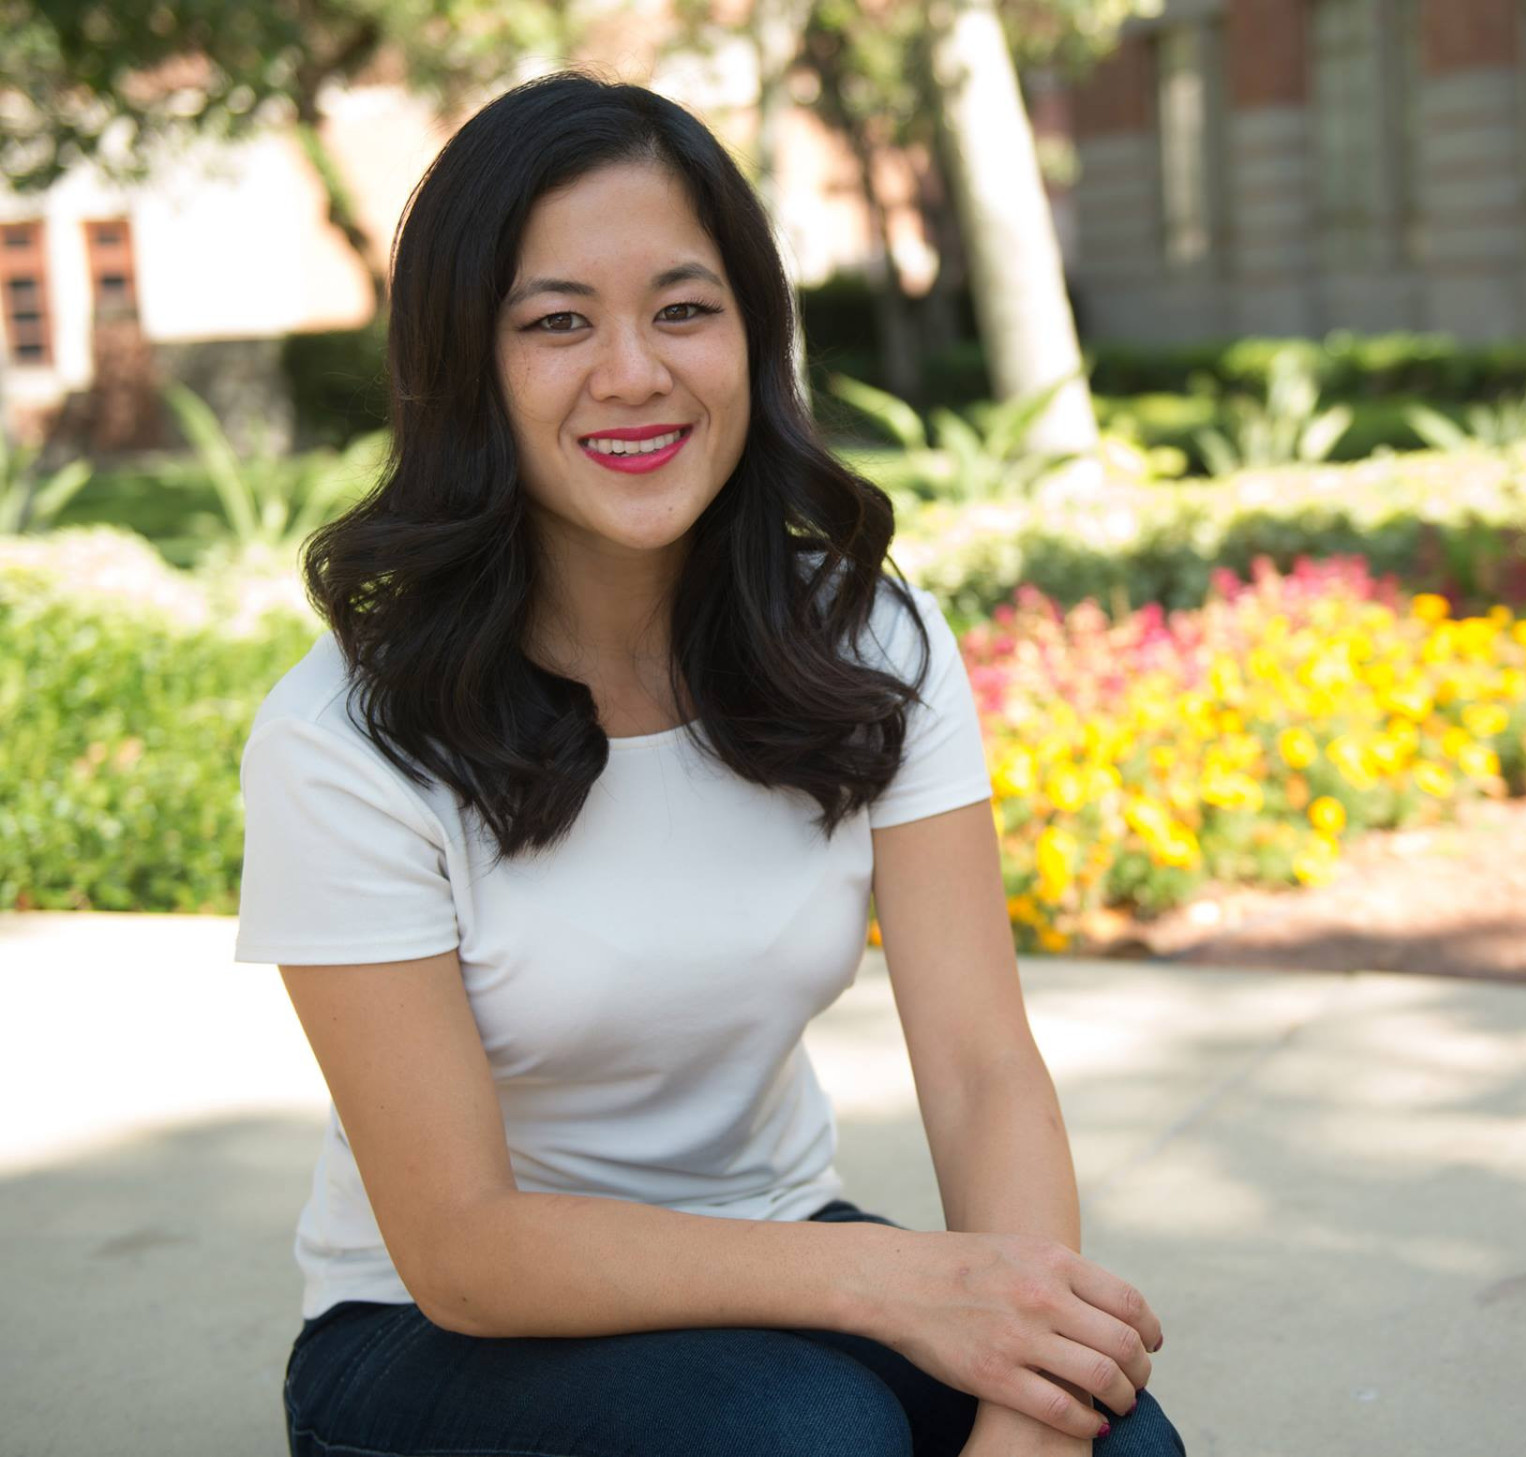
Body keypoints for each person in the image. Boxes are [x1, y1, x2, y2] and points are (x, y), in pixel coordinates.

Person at [232, 69, 1187, 1457]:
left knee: (1113, 1436)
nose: (636, 371)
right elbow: (463, 1246)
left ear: (753, 336)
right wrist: (906, 1280)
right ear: (468, 368)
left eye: (685, 309)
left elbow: (983, 1066)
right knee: (804, 1435)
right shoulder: (349, 735)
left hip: (772, 1251)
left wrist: (1026, 1392)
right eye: (558, 322)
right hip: (435, 1336)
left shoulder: (865, 633)